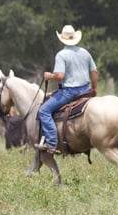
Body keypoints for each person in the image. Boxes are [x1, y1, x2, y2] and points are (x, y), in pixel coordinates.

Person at [35, 24, 98, 155]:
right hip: (85, 90)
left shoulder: (61, 55)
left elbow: (60, 76)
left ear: (62, 39)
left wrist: (49, 76)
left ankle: (51, 143)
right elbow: (95, 72)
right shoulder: (84, 52)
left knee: (44, 110)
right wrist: (94, 88)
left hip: (70, 92)